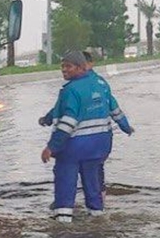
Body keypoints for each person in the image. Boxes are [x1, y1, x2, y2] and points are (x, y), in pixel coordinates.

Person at [40, 51, 134, 222]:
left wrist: (51, 147)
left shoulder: (71, 90)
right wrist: (126, 127)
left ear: (82, 67)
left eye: (68, 66)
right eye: (62, 66)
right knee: (93, 185)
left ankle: (63, 225)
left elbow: (68, 120)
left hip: (74, 148)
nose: (63, 70)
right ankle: (97, 218)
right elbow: (115, 109)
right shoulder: (101, 84)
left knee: (65, 183)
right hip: (100, 146)